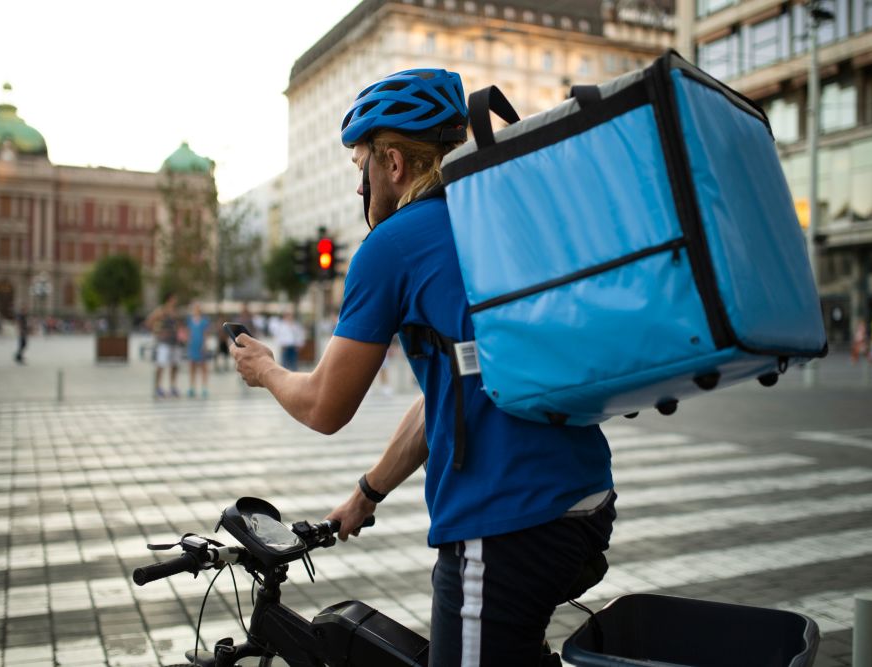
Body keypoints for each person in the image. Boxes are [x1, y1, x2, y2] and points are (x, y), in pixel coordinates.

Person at [231, 68, 614, 666]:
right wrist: (367, 494)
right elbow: (454, 389)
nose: (359, 185)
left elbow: (325, 407)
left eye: (360, 165)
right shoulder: (491, 218)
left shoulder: (395, 243)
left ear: (392, 163)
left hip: (506, 521)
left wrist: (266, 370)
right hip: (582, 498)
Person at [145, 295, 180, 398]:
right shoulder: (162, 310)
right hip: (164, 342)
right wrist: (156, 333)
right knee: (161, 365)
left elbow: (177, 326)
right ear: (169, 299)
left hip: (174, 342)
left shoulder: (175, 312)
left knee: (174, 365)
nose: (175, 301)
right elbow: (149, 321)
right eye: (174, 299)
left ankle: (172, 387)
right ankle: (158, 387)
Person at [185, 303, 210, 398]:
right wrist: (188, 343)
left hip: (200, 345)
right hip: (193, 345)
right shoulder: (190, 320)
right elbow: (189, 333)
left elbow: (205, 334)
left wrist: (205, 345)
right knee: (192, 366)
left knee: (203, 367)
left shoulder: (204, 321)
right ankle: (192, 387)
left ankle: (204, 387)